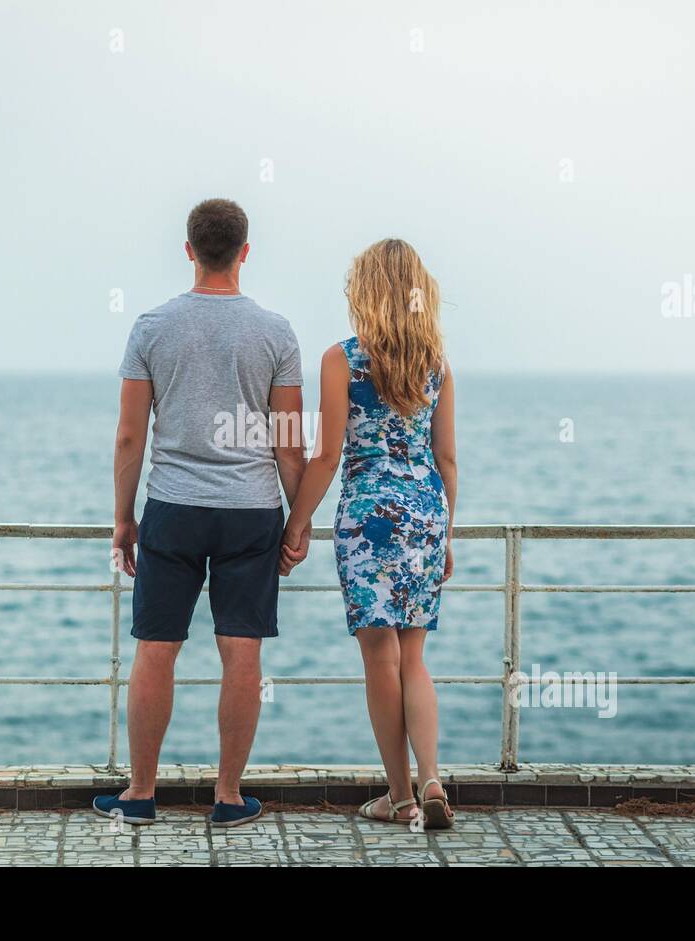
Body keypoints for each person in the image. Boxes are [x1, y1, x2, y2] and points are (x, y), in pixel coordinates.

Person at [95, 198, 304, 827]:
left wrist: (123, 517)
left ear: (189, 250)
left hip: (174, 506)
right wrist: (297, 523)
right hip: (251, 511)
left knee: (156, 649)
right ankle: (230, 797)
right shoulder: (276, 332)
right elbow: (289, 443)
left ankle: (139, 795)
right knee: (242, 653)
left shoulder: (152, 327)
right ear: (245, 252)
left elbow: (130, 438)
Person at [279, 238, 457, 829]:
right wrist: (446, 534)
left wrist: (296, 524)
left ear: (365, 291)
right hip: (426, 512)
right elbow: (447, 458)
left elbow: (327, 455)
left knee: (379, 655)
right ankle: (433, 779)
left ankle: (400, 797)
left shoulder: (343, 359)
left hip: (369, 518)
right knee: (415, 656)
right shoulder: (435, 363)